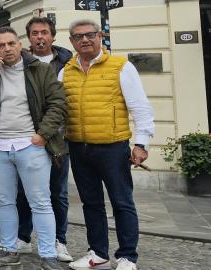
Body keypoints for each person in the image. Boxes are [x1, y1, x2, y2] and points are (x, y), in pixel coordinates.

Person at [0, 26, 68, 270]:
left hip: (31, 145)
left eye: (11, 43)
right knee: (4, 201)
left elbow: (58, 104)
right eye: (1, 45)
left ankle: (48, 254)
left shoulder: (40, 69)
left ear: (20, 44)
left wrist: (42, 135)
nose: (7, 49)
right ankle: (8, 249)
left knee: (40, 201)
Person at [61, 20, 153, 270]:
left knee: (122, 201)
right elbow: (58, 110)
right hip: (79, 147)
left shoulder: (121, 66)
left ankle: (127, 257)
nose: (85, 40)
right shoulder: (66, 71)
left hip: (112, 147)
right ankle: (98, 254)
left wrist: (141, 143)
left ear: (100, 36)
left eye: (90, 35)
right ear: (71, 42)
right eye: (78, 37)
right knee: (91, 203)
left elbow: (140, 107)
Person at [15, 17, 74, 261]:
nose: (40, 37)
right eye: (35, 33)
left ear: (53, 36)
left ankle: (60, 241)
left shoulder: (68, 63)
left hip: (59, 138)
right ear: (28, 38)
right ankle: (24, 237)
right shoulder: (20, 62)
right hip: (27, 137)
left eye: (45, 33)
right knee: (24, 191)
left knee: (57, 192)